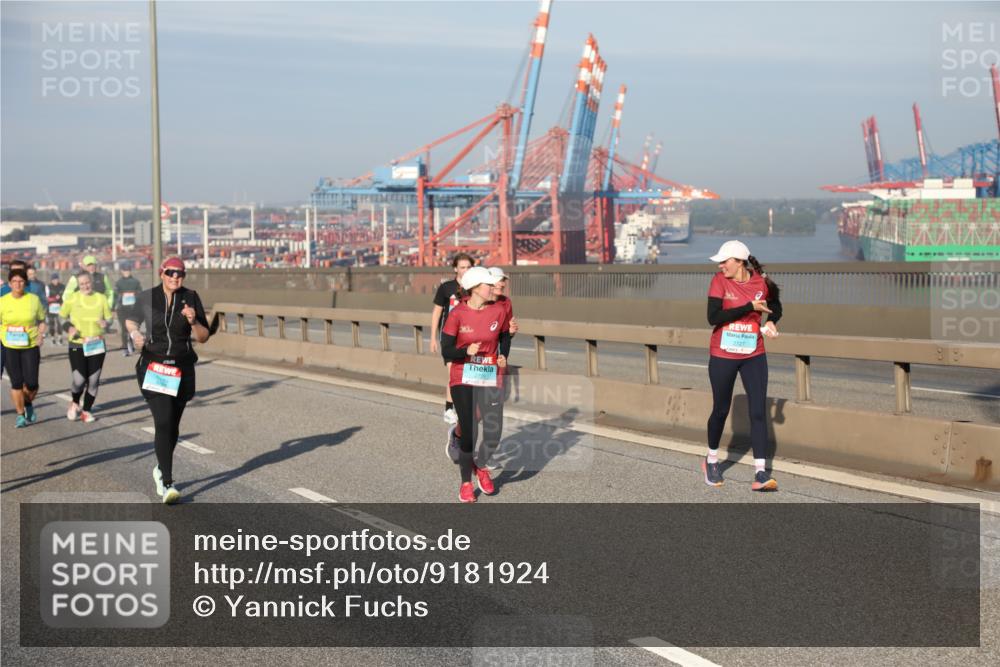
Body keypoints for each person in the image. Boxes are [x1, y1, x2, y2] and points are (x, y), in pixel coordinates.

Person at [125, 257, 211, 505]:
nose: (176, 277)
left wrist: (193, 321)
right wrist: (135, 333)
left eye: (180, 273)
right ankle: (167, 482)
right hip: (154, 366)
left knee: (172, 425)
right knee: (162, 420)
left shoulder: (191, 297)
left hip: (182, 369)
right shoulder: (147, 297)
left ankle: (160, 468)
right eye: (171, 272)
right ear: (162, 273)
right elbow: (131, 319)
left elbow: (204, 337)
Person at [702, 240, 782, 491]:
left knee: (758, 411)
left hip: (753, 354)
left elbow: (776, 306)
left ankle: (760, 473)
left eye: (725, 261)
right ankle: (711, 461)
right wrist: (748, 307)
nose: (721, 265)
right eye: (720, 262)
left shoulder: (762, 281)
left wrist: (772, 322)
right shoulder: (719, 281)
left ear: (739, 262)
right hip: (723, 354)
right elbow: (713, 318)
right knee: (721, 410)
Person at [440, 266, 511, 503]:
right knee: (471, 429)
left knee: (494, 430)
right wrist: (463, 350)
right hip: (463, 374)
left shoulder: (499, 310)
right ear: (476, 289)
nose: (494, 288)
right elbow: (446, 348)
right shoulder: (457, 314)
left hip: (488, 373)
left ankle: (480, 465)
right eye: (489, 285)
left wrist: (504, 354)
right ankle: (466, 483)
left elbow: (503, 335)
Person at [60, 271, 113, 423]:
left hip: (97, 343)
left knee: (94, 380)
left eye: (87, 282)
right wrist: (68, 327)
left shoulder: (101, 298)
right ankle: (75, 401)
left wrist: (106, 324)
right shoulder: (73, 298)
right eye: (82, 284)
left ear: (92, 282)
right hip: (77, 343)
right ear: (78, 285)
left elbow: (109, 319)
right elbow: (61, 316)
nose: (85, 286)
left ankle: (87, 411)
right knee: (79, 379)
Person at [430, 253, 474, 425]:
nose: (465, 270)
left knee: (468, 374)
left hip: (469, 337)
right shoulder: (446, 288)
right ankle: (449, 408)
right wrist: (433, 337)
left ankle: (465, 407)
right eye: (462, 267)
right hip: (450, 338)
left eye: (468, 267)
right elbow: (437, 313)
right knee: (454, 373)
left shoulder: (476, 287)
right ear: (455, 269)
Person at [1, 268, 47, 427]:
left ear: (25, 283)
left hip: (30, 345)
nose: (18, 284)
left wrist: (41, 334)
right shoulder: (3, 301)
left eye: (21, 281)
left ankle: (28, 403)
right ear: (10, 283)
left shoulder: (33, 300)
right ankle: (20, 415)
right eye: (14, 281)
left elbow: (41, 320)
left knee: (32, 383)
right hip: (10, 345)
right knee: (16, 382)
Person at [114, 264, 142, 356]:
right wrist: (120, 297)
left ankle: (135, 346)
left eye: (128, 270)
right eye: (124, 270)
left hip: (133, 309)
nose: (126, 272)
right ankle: (125, 348)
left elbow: (140, 293)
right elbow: (115, 294)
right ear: (121, 271)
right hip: (122, 309)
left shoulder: (136, 282)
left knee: (134, 329)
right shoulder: (118, 283)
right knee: (124, 329)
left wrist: (134, 294)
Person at [45, 273, 66, 345]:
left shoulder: (62, 286)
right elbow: (46, 298)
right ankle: (52, 338)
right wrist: (54, 299)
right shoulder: (48, 287)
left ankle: (60, 338)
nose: (55, 281)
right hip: (51, 308)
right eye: (54, 279)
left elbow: (65, 297)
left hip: (60, 307)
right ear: (51, 280)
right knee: (51, 324)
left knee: (59, 323)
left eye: (56, 279)